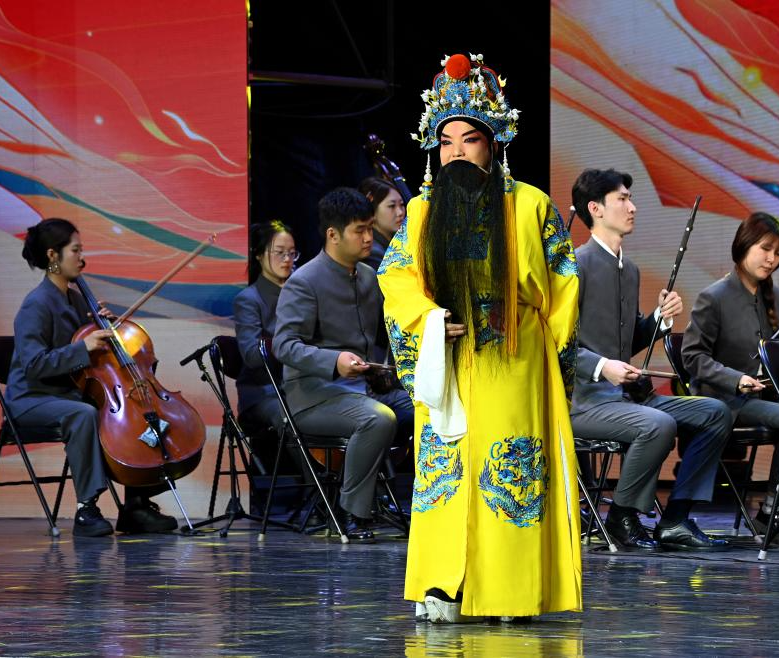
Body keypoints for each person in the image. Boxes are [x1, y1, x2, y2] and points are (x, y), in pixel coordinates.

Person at [379, 53, 581, 623]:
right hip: (447, 356)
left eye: (470, 140)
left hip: (514, 355)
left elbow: (564, 286)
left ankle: (513, 591)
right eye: (446, 142)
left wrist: (547, 357)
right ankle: (443, 585)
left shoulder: (531, 205)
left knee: (509, 469)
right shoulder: (420, 211)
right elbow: (395, 277)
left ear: (493, 145)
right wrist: (429, 319)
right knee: (446, 470)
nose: (457, 153)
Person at [570, 168, 731, 553]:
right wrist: (602, 366)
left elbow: (627, 341)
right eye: (622, 199)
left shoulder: (630, 269)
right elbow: (555, 342)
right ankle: (621, 515)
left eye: (630, 198)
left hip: (627, 399)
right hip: (584, 401)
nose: (633, 207)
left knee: (715, 412)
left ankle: (675, 518)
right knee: (658, 424)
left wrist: (659, 320)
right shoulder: (575, 265)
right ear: (595, 209)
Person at [5, 218, 178, 537]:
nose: (81, 258)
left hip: (65, 393)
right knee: (84, 413)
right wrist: (84, 347)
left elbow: (89, 352)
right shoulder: (36, 304)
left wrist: (103, 325)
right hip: (32, 398)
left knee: (133, 415)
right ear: (53, 255)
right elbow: (34, 365)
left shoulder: (76, 299)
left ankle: (137, 505)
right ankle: (87, 509)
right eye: (75, 250)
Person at [273, 188, 414, 543]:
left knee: (424, 407)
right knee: (377, 418)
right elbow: (284, 345)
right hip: (315, 397)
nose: (368, 238)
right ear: (333, 235)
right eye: (359, 231)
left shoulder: (367, 276)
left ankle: (421, 501)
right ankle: (351, 512)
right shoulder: (304, 282)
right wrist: (333, 361)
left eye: (370, 228)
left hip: (363, 389)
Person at [682, 212, 779, 531]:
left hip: (766, 396)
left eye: (778, 253)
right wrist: (736, 380)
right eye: (765, 249)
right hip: (727, 400)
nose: (772, 259)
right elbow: (692, 356)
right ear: (744, 245)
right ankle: (774, 513)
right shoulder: (714, 296)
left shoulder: (777, 297)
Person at [234, 220, 298, 432]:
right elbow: (252, 356)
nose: (287, 259)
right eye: (279, 252)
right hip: (265, 391)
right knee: (292, 416)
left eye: (292, 253)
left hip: (301, 385)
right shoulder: (249, 299)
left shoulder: (301, 293)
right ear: (259, 255)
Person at [359, 177, 406, 271]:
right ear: (372, 211)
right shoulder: (372, 252)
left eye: (401, 204)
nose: (400, 212)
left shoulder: (400, 240)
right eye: (392, 206)